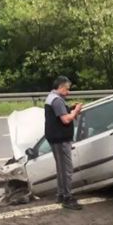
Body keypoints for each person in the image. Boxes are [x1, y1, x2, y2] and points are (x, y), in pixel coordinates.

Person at [45, 76, 83, 210]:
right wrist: (75, 111)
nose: (69, 92)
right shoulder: (57, 101)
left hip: (55, 138)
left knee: (61, 168)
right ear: (60, 87)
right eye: (67, 89)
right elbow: (66, 120)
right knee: (67, 169)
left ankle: (61, 194)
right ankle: (67, 198)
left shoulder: (52, 97)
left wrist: (69, 108)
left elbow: (60, 113)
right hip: (60, 139)